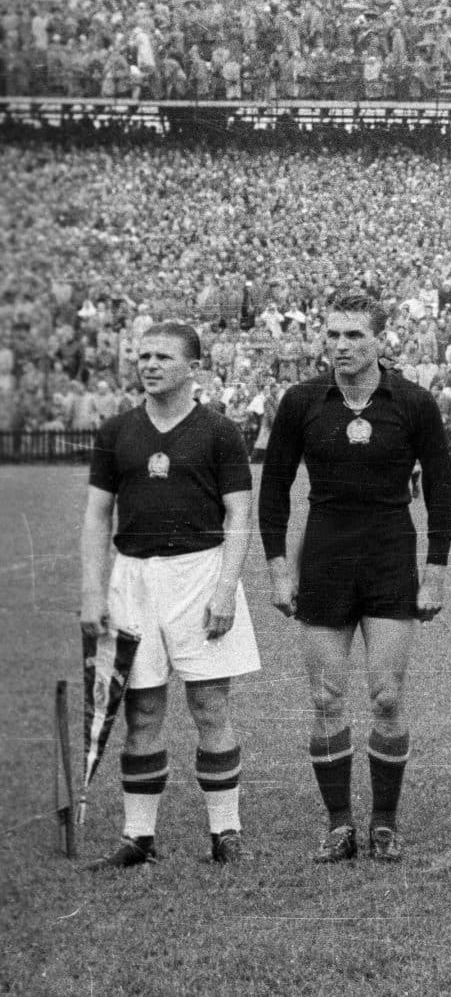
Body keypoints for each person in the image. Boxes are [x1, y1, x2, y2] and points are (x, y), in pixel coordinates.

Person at [260, 293, 451, 865]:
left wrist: (436, 571)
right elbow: (274, 492)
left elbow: (441, 493)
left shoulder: (413, 403)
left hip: (390, 554)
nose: (341, 346)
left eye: (354, 336)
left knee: (387, 696)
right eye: (333, 335)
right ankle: (339, 824)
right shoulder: (300, 402)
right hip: (324, 556)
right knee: (326, 698)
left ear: (379, 341)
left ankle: (386, 824)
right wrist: (278, 568)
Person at [79, 322, 263, 868]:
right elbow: (96, 514)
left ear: (193, 368)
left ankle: (225, 832)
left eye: (163, 356)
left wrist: (227, 588)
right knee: (142, 708)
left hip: (200, 573)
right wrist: (92, 590)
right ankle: (138, 838)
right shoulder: (117, 431)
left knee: (210, 704)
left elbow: (239, 514)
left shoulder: (218, 431)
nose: (150, 364)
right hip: (132, 577)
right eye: (143, 356)